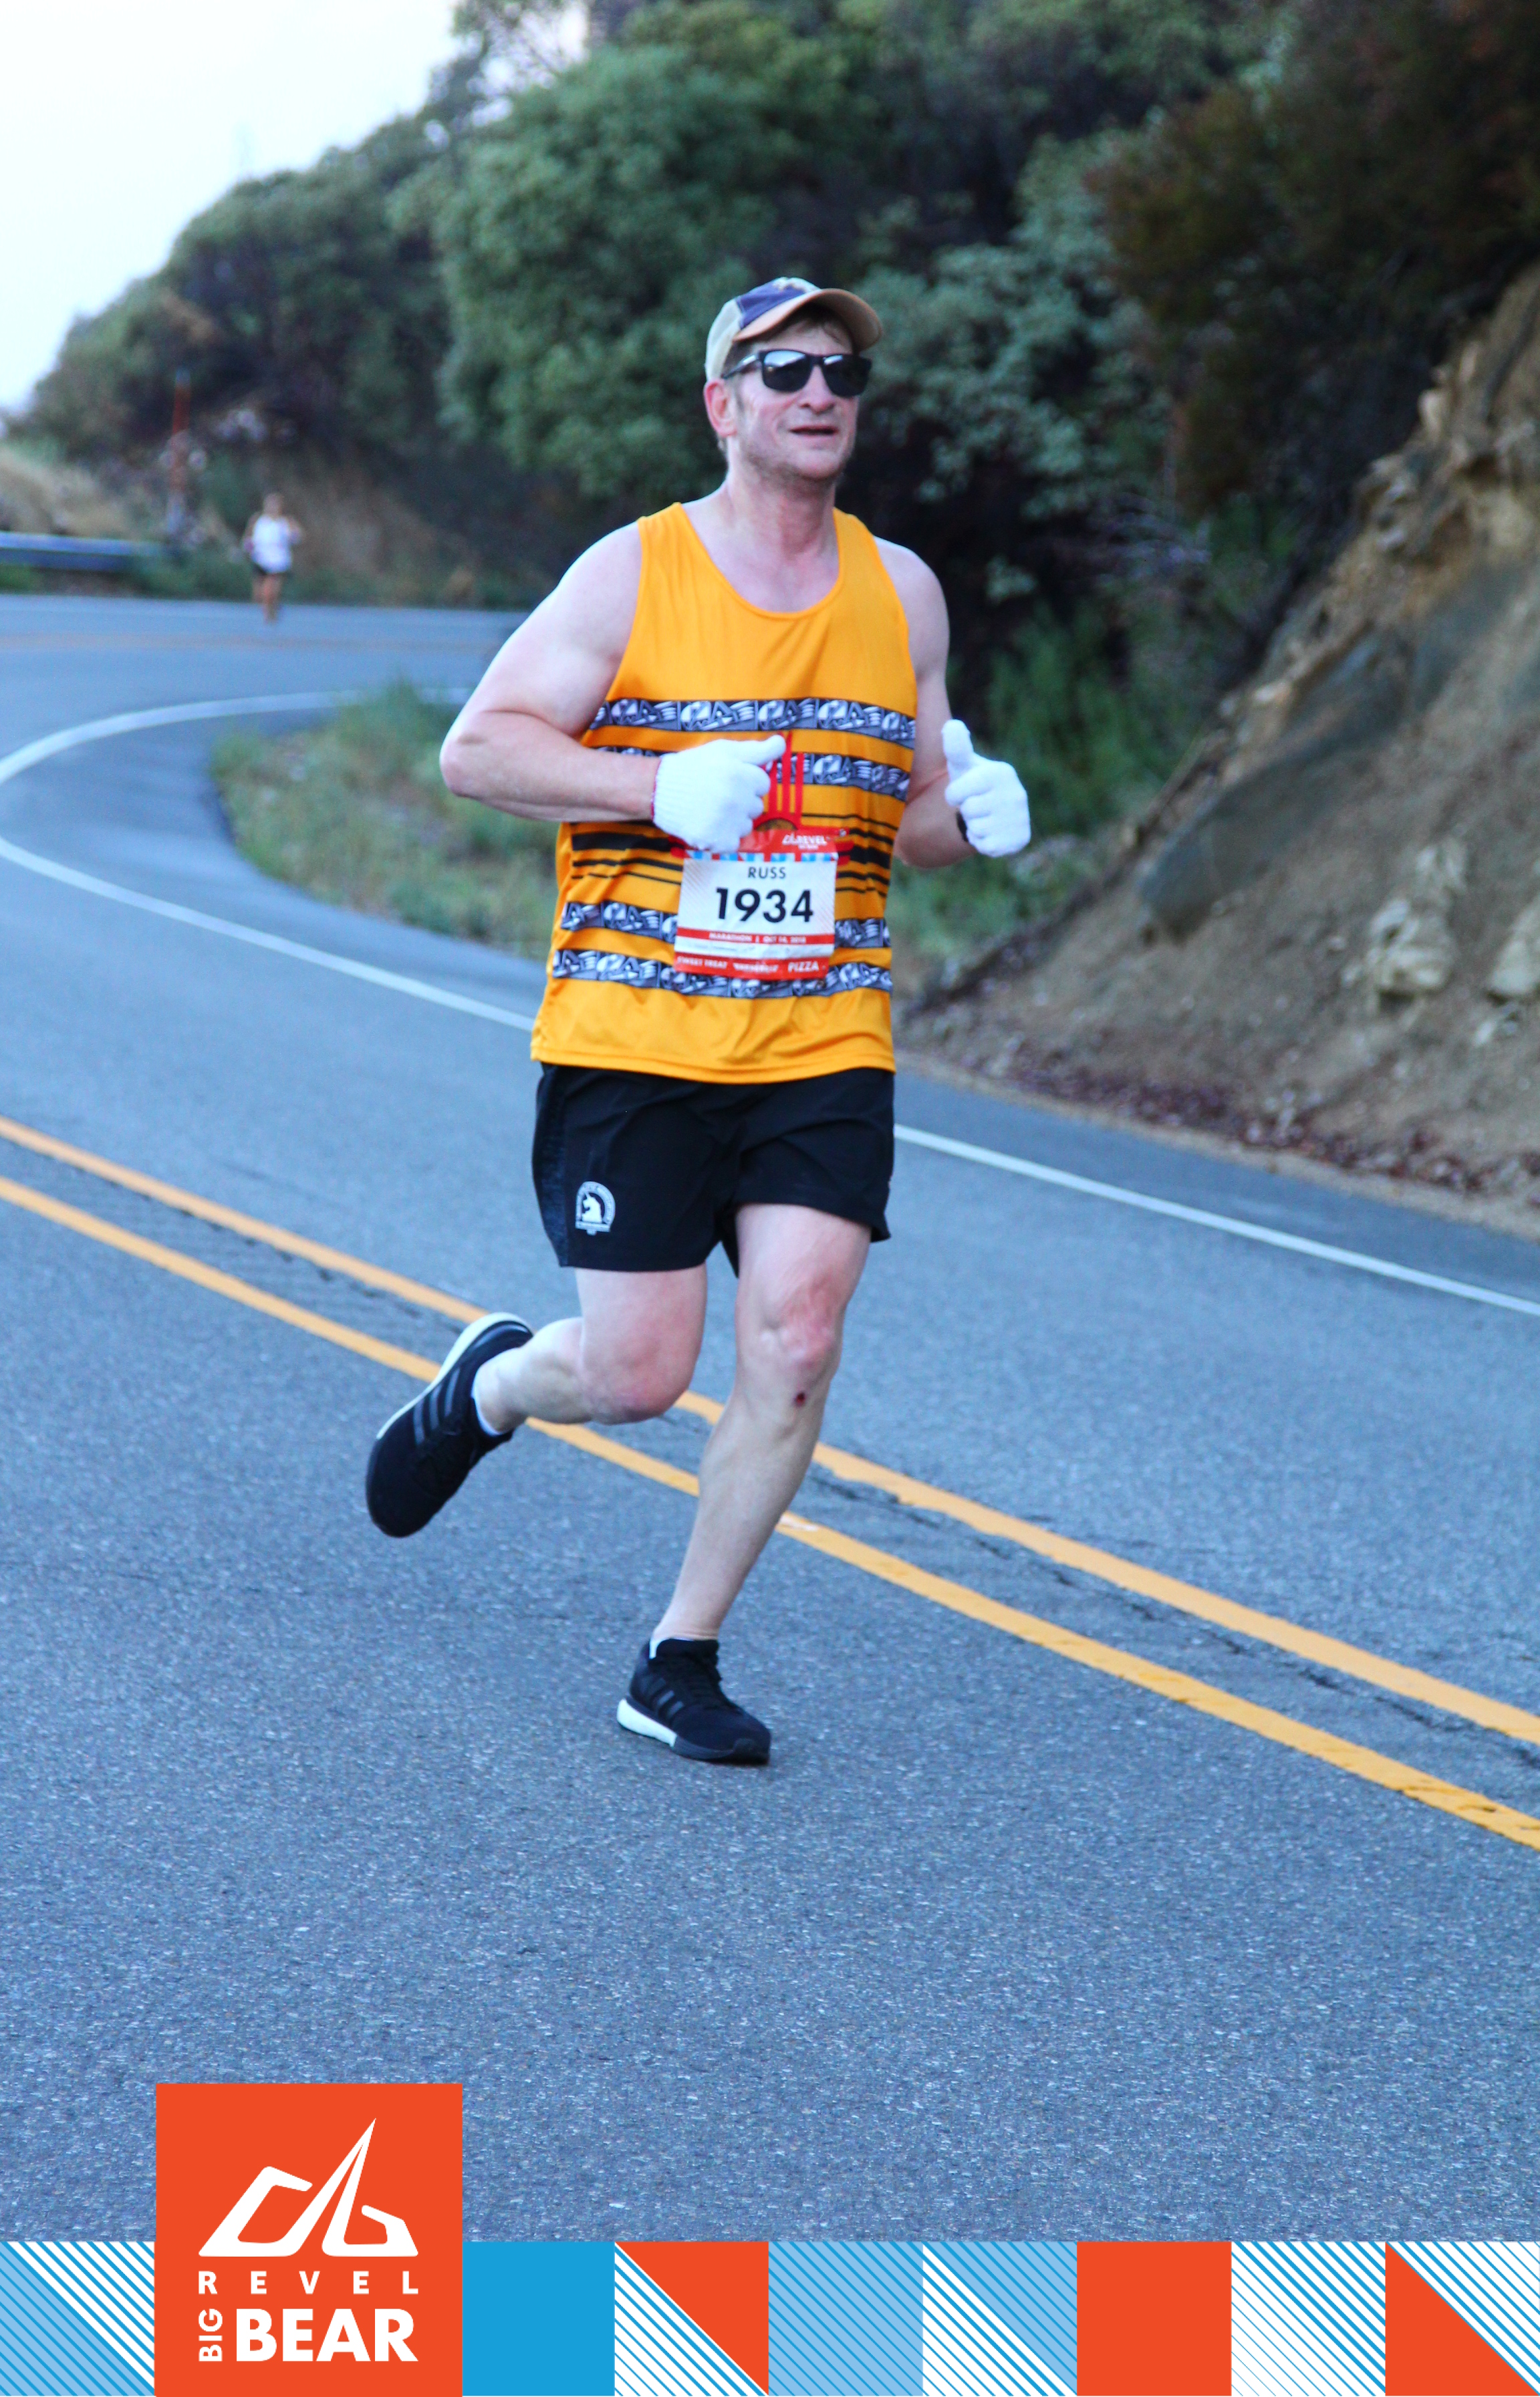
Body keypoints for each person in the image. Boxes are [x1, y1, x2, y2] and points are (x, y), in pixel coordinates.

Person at [364, 276, 1031, 1763]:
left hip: (821, 1034)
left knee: (797, 1335)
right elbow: (479, 750)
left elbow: (909, 818)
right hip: (638, 1036)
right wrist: (653, 785)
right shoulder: (634, 572)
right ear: (722, 405)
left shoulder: (901, 593)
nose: (819, 391)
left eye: (842, 371)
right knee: (639, 1373)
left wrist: (971, 818)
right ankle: (491, 1382)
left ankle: (679, 1654)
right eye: (782, 369)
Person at [242, 493, 303, 623]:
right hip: (260, 559)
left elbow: (297, 537)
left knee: (269, 589)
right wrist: (248, 547)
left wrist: (294, 533)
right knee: (258, 595)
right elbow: (248, 537)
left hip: (278, 561)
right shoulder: (257, 520)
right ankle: (272, 607)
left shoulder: (285, 522)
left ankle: (268, 614)